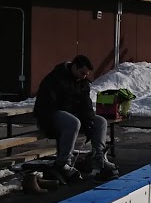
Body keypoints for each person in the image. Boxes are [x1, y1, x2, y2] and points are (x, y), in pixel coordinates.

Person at [33, 55, 118, 183]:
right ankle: (63, 163)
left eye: (86, 74)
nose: (84, 76)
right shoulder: (55, 79)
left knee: (100, 122)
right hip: (51, 115)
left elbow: (86, 104)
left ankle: (99, 158)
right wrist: (50, 125)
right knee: (73, 122)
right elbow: (46, 104)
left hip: (72, 116)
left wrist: (89, 120)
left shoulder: (82, 83)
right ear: (74, 67)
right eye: (82, 73)